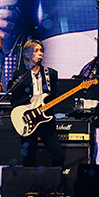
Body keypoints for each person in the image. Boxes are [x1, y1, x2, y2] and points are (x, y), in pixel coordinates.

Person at [10, 40, 64, 168]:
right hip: (28, 119)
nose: (40, 53)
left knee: (58, 154)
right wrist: (30, 101)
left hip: (46, 120)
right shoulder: (20, 75)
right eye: (36, 50)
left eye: (41, 50)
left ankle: (54, 179)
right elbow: (14, 101)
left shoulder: (51, 74)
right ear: (28, 54)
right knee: (29, 157)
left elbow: (52, 97)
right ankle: (30, 180)